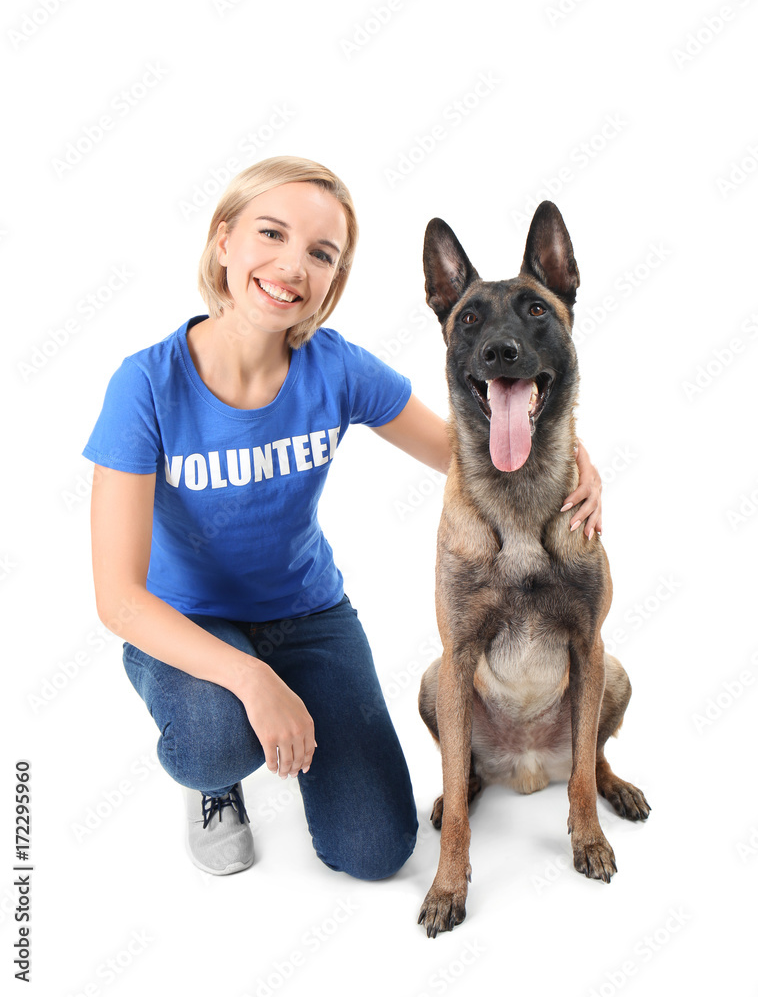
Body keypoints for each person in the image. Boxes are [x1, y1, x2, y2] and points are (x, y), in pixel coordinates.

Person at [84, 156, 602, 880]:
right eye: (271, 232)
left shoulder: (337, 369)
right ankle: (218, 780)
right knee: (214, 738)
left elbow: (467, 447)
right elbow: (118, 600)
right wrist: (254, 683)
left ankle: (286, 716)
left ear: (334, 279)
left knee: (377, 850)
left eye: (321, 253)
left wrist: (579, 460)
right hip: (187, 622)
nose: (292, 264)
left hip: (308, 617)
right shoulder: (145, 385)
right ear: (224, 240)